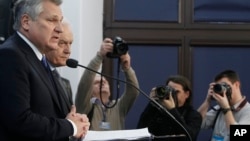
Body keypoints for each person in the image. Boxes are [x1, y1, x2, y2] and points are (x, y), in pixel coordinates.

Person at [0, 0, 90, 141]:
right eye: (52, 20)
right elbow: (20, 120)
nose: (60, 29)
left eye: (60, 21)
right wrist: (70, 127)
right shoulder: (10, 56)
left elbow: (48, 113)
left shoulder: (41, 60)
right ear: (26, 22)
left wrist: (74, 121)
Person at [75, 38, 140, 130]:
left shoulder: (118, 107)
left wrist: (127, 68)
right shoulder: (85, 106)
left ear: (110, 91)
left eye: (105, 82)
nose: (102, 84)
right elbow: (84, 84)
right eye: (97, 83)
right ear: (90, 91)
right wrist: (99, 57)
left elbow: (133, 91)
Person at [137, 75, 202, 141]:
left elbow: (189, 137)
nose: (172, 94)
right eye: (169, 91)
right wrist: (152, 104)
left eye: (176, 92)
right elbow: (140, 131)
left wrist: (172, 110)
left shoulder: (194, 115)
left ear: (187, 94)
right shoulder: (158, 111)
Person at [197, 70, 250, 141]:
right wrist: (207, 101)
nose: (223, 90)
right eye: (220, 87)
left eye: (224, 85)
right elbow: (197, 123)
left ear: (237, 85)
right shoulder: (219, 108)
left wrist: (226, 109)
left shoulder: (247, 111)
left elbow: (238, 135)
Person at [45, 19, 74, 105]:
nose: (68, 51)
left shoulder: (66, 85)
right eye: (62, 43)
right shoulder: (33, 76)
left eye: (70, 43)